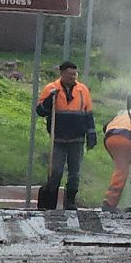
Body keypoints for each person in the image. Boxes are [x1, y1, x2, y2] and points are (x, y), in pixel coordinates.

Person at [36, 61, 96, 210]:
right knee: (55, 171)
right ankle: (50, 201)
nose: (73, 77)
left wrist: (91, 134)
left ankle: (70, 202)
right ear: (62, 73)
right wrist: (50, 100)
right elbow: (40, 111)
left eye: (75, 74)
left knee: (74, 173)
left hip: (77, 138)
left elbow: (88, 114)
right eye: (70, 74)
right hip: (58, 139)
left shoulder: (83, 90)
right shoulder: (51, 89)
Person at [100, 97, 131, 212]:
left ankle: (114, 201)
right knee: (123, 169)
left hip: (110, 137)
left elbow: (105, 126)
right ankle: (109, 203)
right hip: (127, 138)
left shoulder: (122, 113)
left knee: (121, 167)